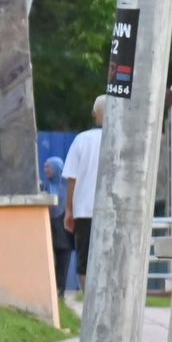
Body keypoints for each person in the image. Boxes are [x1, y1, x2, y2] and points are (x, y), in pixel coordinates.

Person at [62, 97, 107, 303]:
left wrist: (69, 210)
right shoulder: (121, 139)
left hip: (85, 210)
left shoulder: (82, 140)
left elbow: (72, 178)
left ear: (95, 114)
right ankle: (107, 302)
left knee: (84, 261)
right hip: (111, 212)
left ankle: (90, 305)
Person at [44, 155, 74, 305]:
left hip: (64, 233)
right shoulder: (44, 187)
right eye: (45, 167)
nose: (46, 170)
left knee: (63, 263)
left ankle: (60, 292)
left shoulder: (68, 188)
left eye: (48, 167)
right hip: (49, 229)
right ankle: (50, 291)